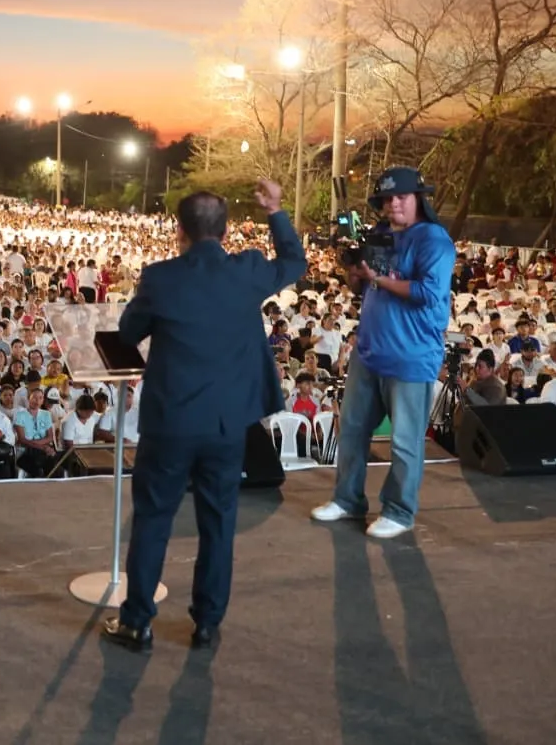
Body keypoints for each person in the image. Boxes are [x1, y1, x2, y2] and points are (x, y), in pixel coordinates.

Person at [103, 180, 305, 653]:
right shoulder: (249, 270)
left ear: (180, 231)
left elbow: (129, 331)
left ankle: (137, 623)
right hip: (226, 425)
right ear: (226, 230)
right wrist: (275, 211)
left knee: (153, 520)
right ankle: (207, 623)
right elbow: (295, 262)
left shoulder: (160, 278)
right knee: (218, 523)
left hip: (170, 423)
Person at [311, 167, 456, 539]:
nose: (394, 204)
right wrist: (356, 274)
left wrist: (378, 278)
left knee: (405, 442)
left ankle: (399, 510)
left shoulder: (434, 240)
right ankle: (347, 500)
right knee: (352, 431)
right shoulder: (378, 234)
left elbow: (427, 292)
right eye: (388, 199)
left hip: (411, 354)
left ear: (418, 199)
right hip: (370, 350)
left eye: (401, 197)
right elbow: (362, 289)